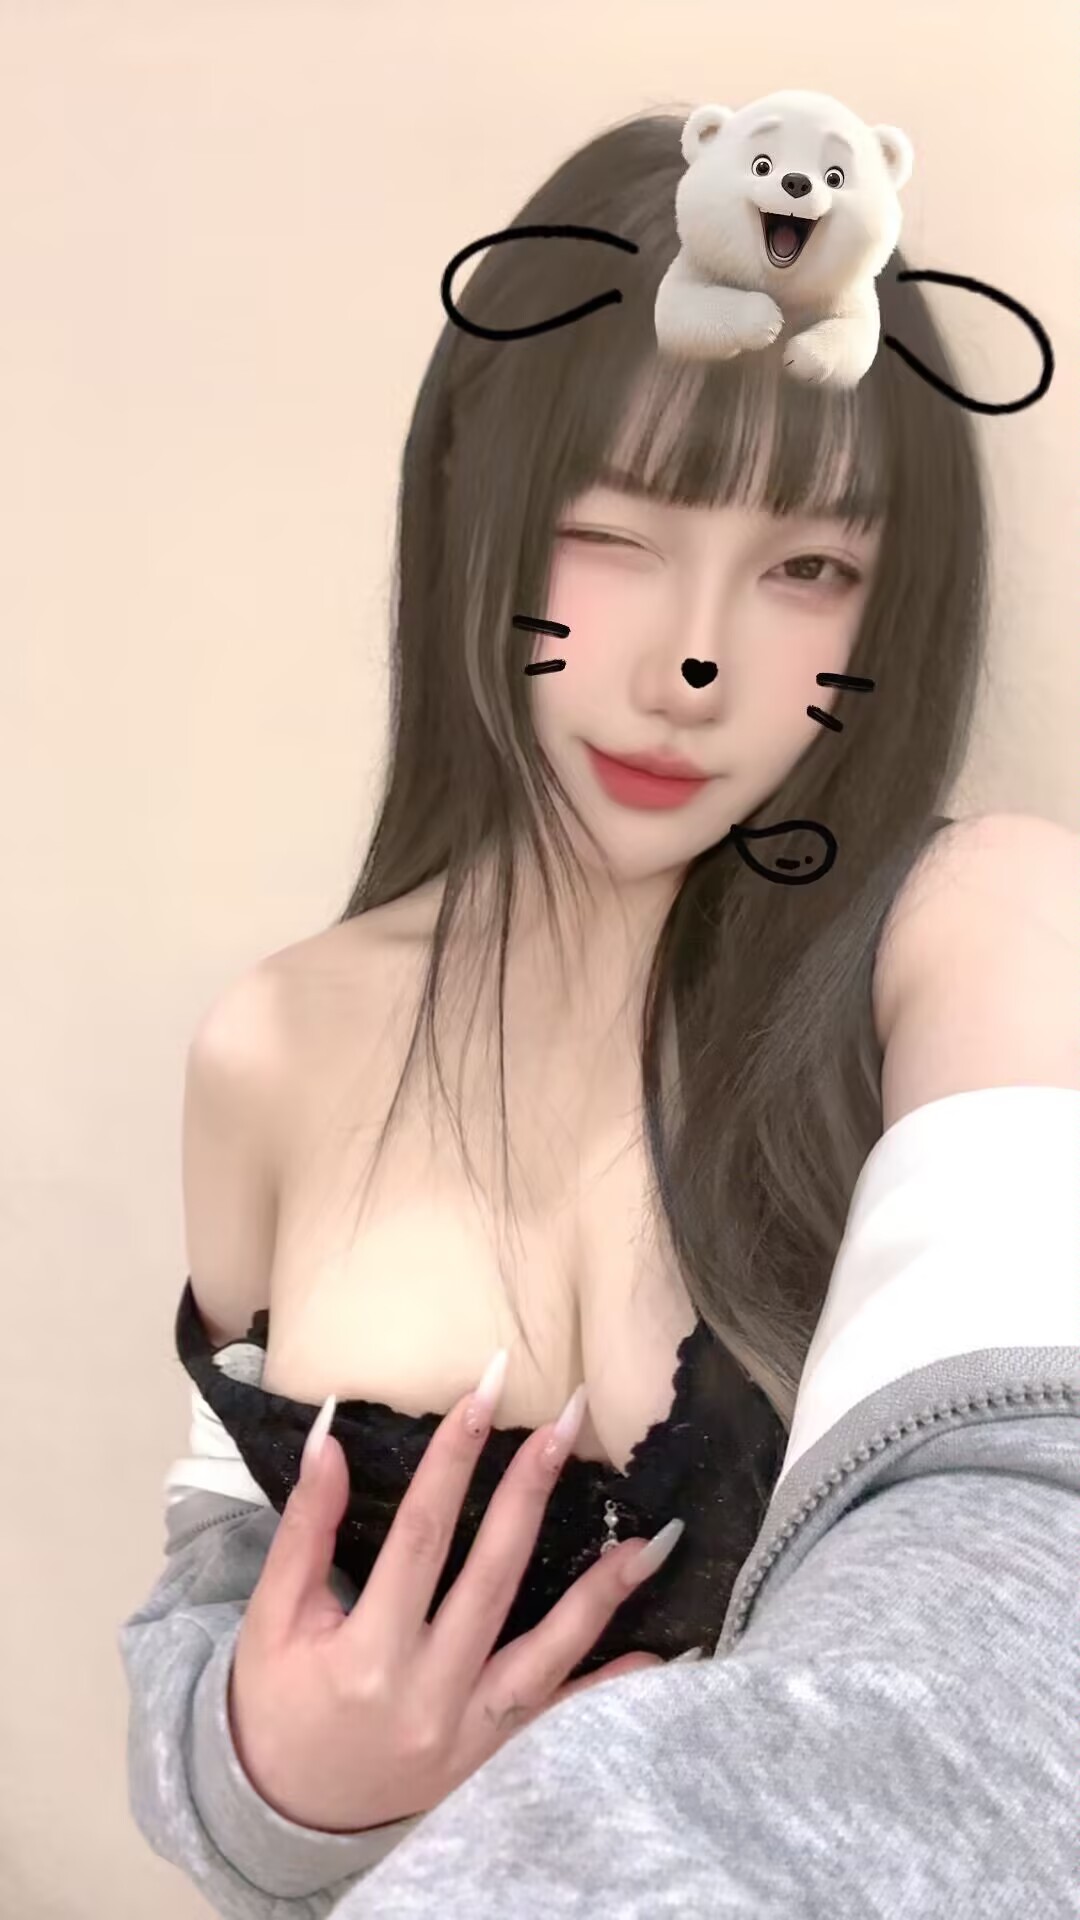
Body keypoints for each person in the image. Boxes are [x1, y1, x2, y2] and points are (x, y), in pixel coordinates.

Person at [118, 107, 1080, 1916]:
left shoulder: (983, 932)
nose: (688, 665)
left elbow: (1032, 1597)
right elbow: (213, 1616)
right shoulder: (275, 1043)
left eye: (809, 570)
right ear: (474, 515)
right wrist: (283, 1787)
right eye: (610, 534)